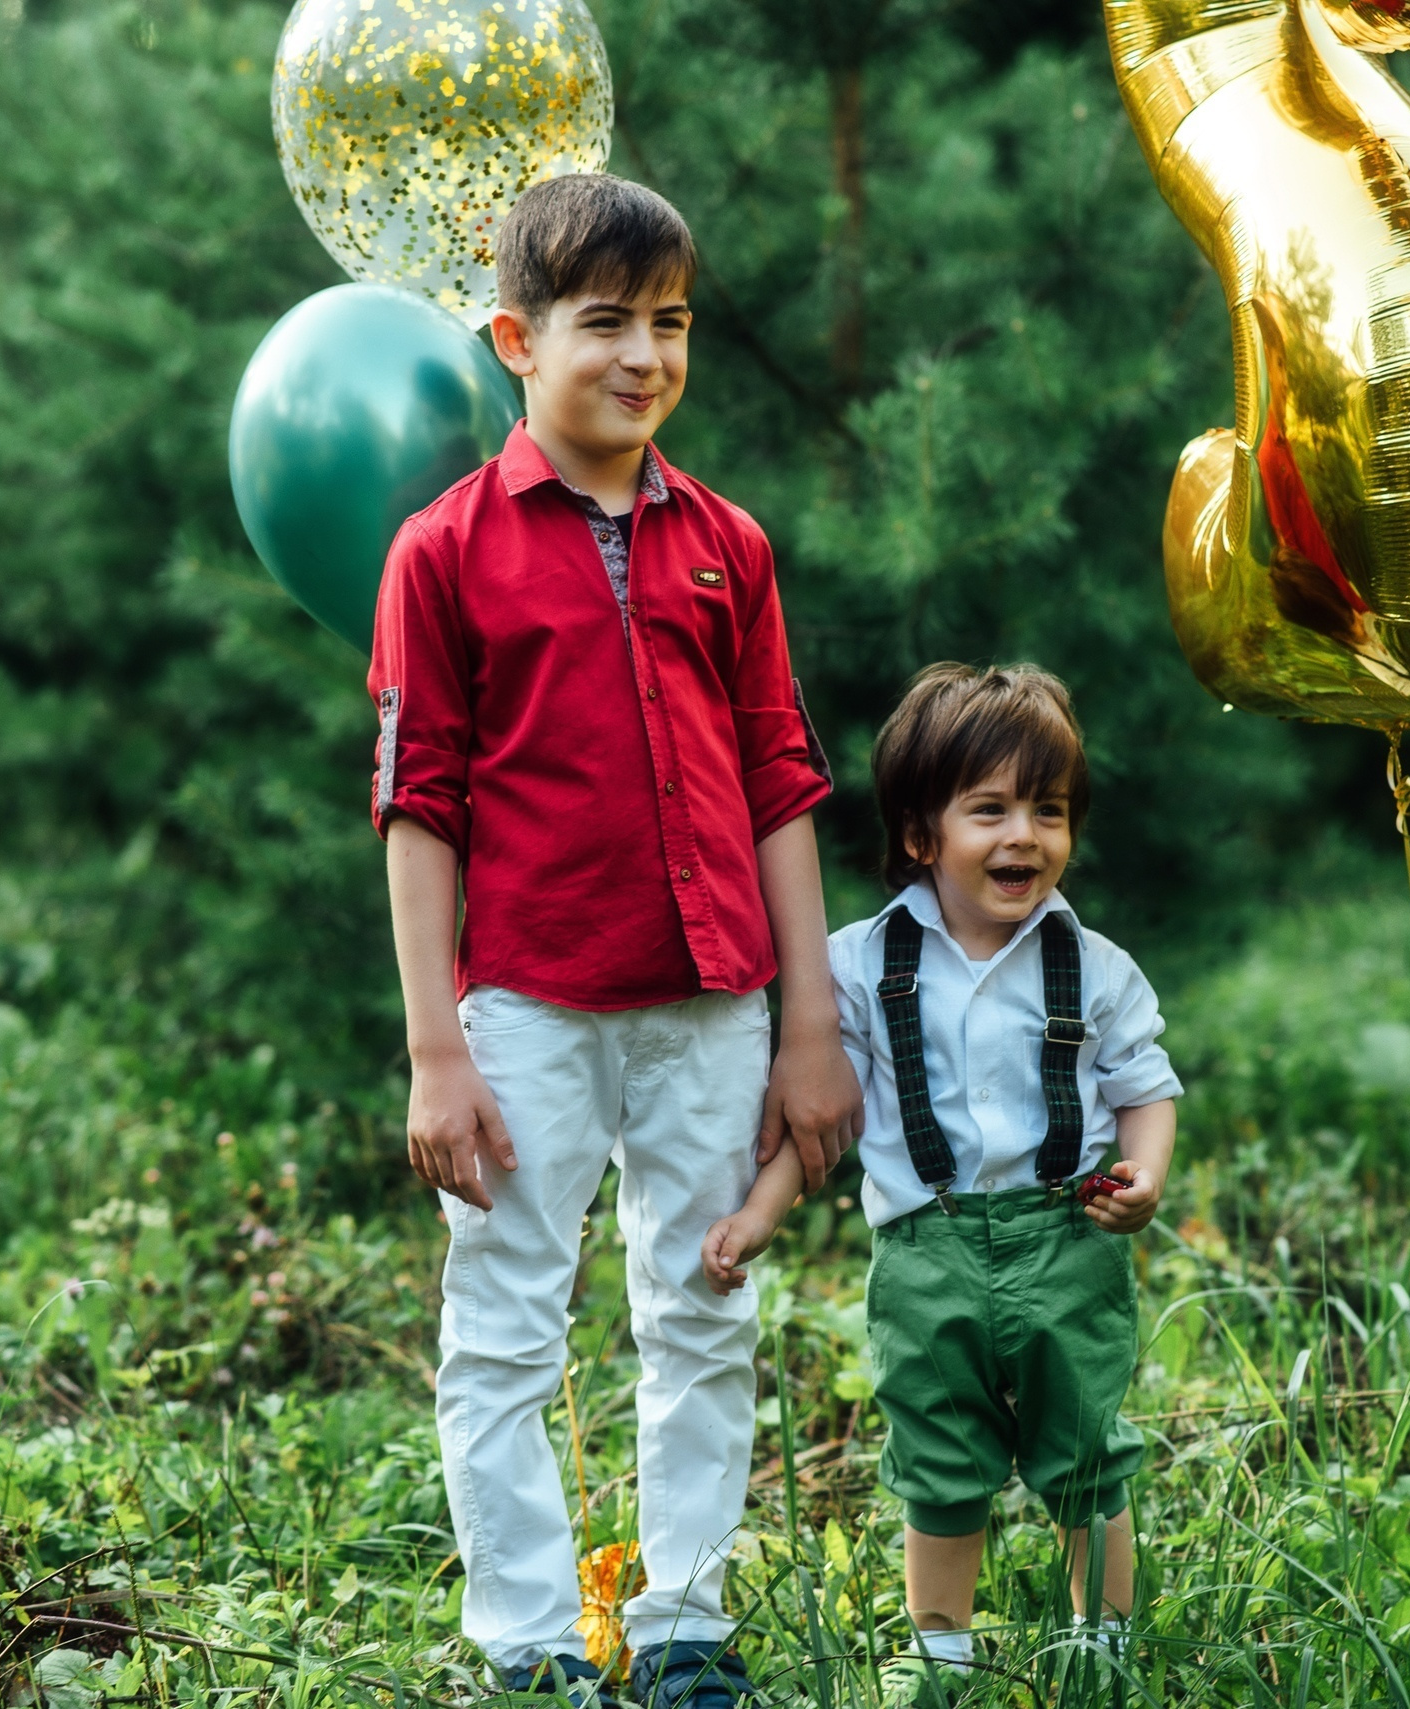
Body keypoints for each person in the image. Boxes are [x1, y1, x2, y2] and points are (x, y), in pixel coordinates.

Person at [371, 173, 862, 1708]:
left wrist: (808, 1023)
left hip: (713, 1004)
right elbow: (420, 805)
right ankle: (526, 1645)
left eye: (671, 323)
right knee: (507, 1333)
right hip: (525, 1007)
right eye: (605, 323)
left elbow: (781, 780)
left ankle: (685, 1628)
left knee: (704, 1308)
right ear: (516, 339)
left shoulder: (729, 544)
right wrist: (437, 1049)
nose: (644, 355)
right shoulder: (441, 552)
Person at [703, 663, 1180, 1695]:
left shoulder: (1093, 964)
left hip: (1066, 1239)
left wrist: (1143, 1174)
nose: (1024, 835)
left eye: (1047, 811)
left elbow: (1146, 1085)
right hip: (926, 1253)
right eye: (990, 809)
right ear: (922, 833)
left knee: (1085, 1446)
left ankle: (1102, 1641)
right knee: (939, 1455)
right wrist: (759, 1211)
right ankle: (939, 1648)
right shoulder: (861, 964)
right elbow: (824, 1113)